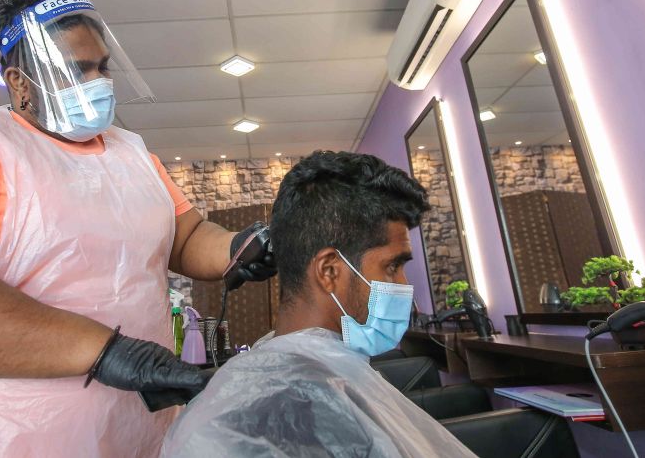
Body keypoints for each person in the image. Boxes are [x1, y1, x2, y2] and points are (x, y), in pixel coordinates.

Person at [0, 0, 275, 457]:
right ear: (19, 82)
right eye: (76, 70)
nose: (99, 82)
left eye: (102, 67)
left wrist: (238, 248)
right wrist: (101, 351)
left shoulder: (132, 154)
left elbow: (183, 237)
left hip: (132, 427)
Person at [161, 151, 476, 458]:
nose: (405, 286)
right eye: (393, 266)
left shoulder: (323, 374)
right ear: (329, 271)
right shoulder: (283, 406)